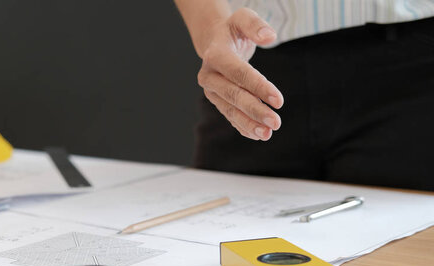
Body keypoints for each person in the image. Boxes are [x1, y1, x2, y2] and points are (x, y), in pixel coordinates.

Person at [174, 1, 434, 191]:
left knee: (398, 256)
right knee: (217, 245)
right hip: (254, 61)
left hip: (414, 69)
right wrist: (213, 28)